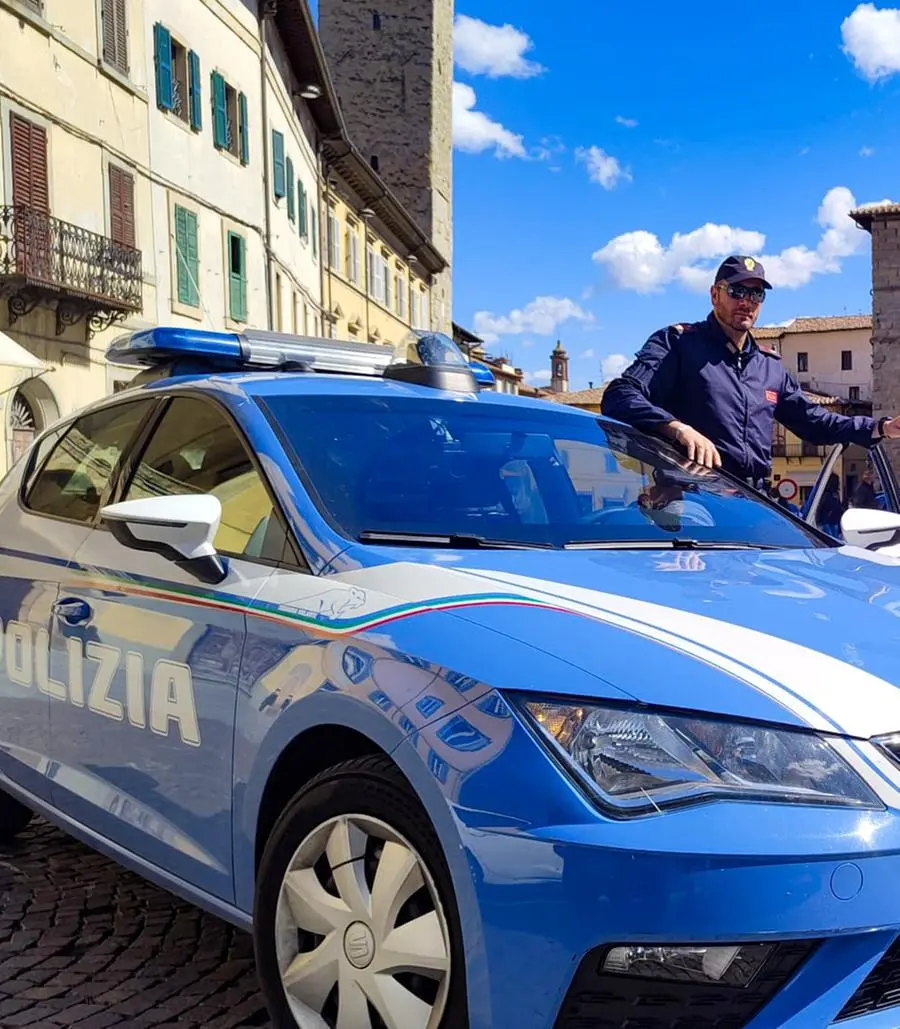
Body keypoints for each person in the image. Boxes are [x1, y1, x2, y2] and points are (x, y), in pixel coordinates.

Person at [600, 255, 900, 490]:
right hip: (692, 493)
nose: (747, 302)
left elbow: (813, 421)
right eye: (737, 291)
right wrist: (677, 428)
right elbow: (620, 395)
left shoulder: (768, 366)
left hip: (754, 500)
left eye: (756, 295)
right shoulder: (677, 344)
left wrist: (882, 427)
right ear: (715, 294)